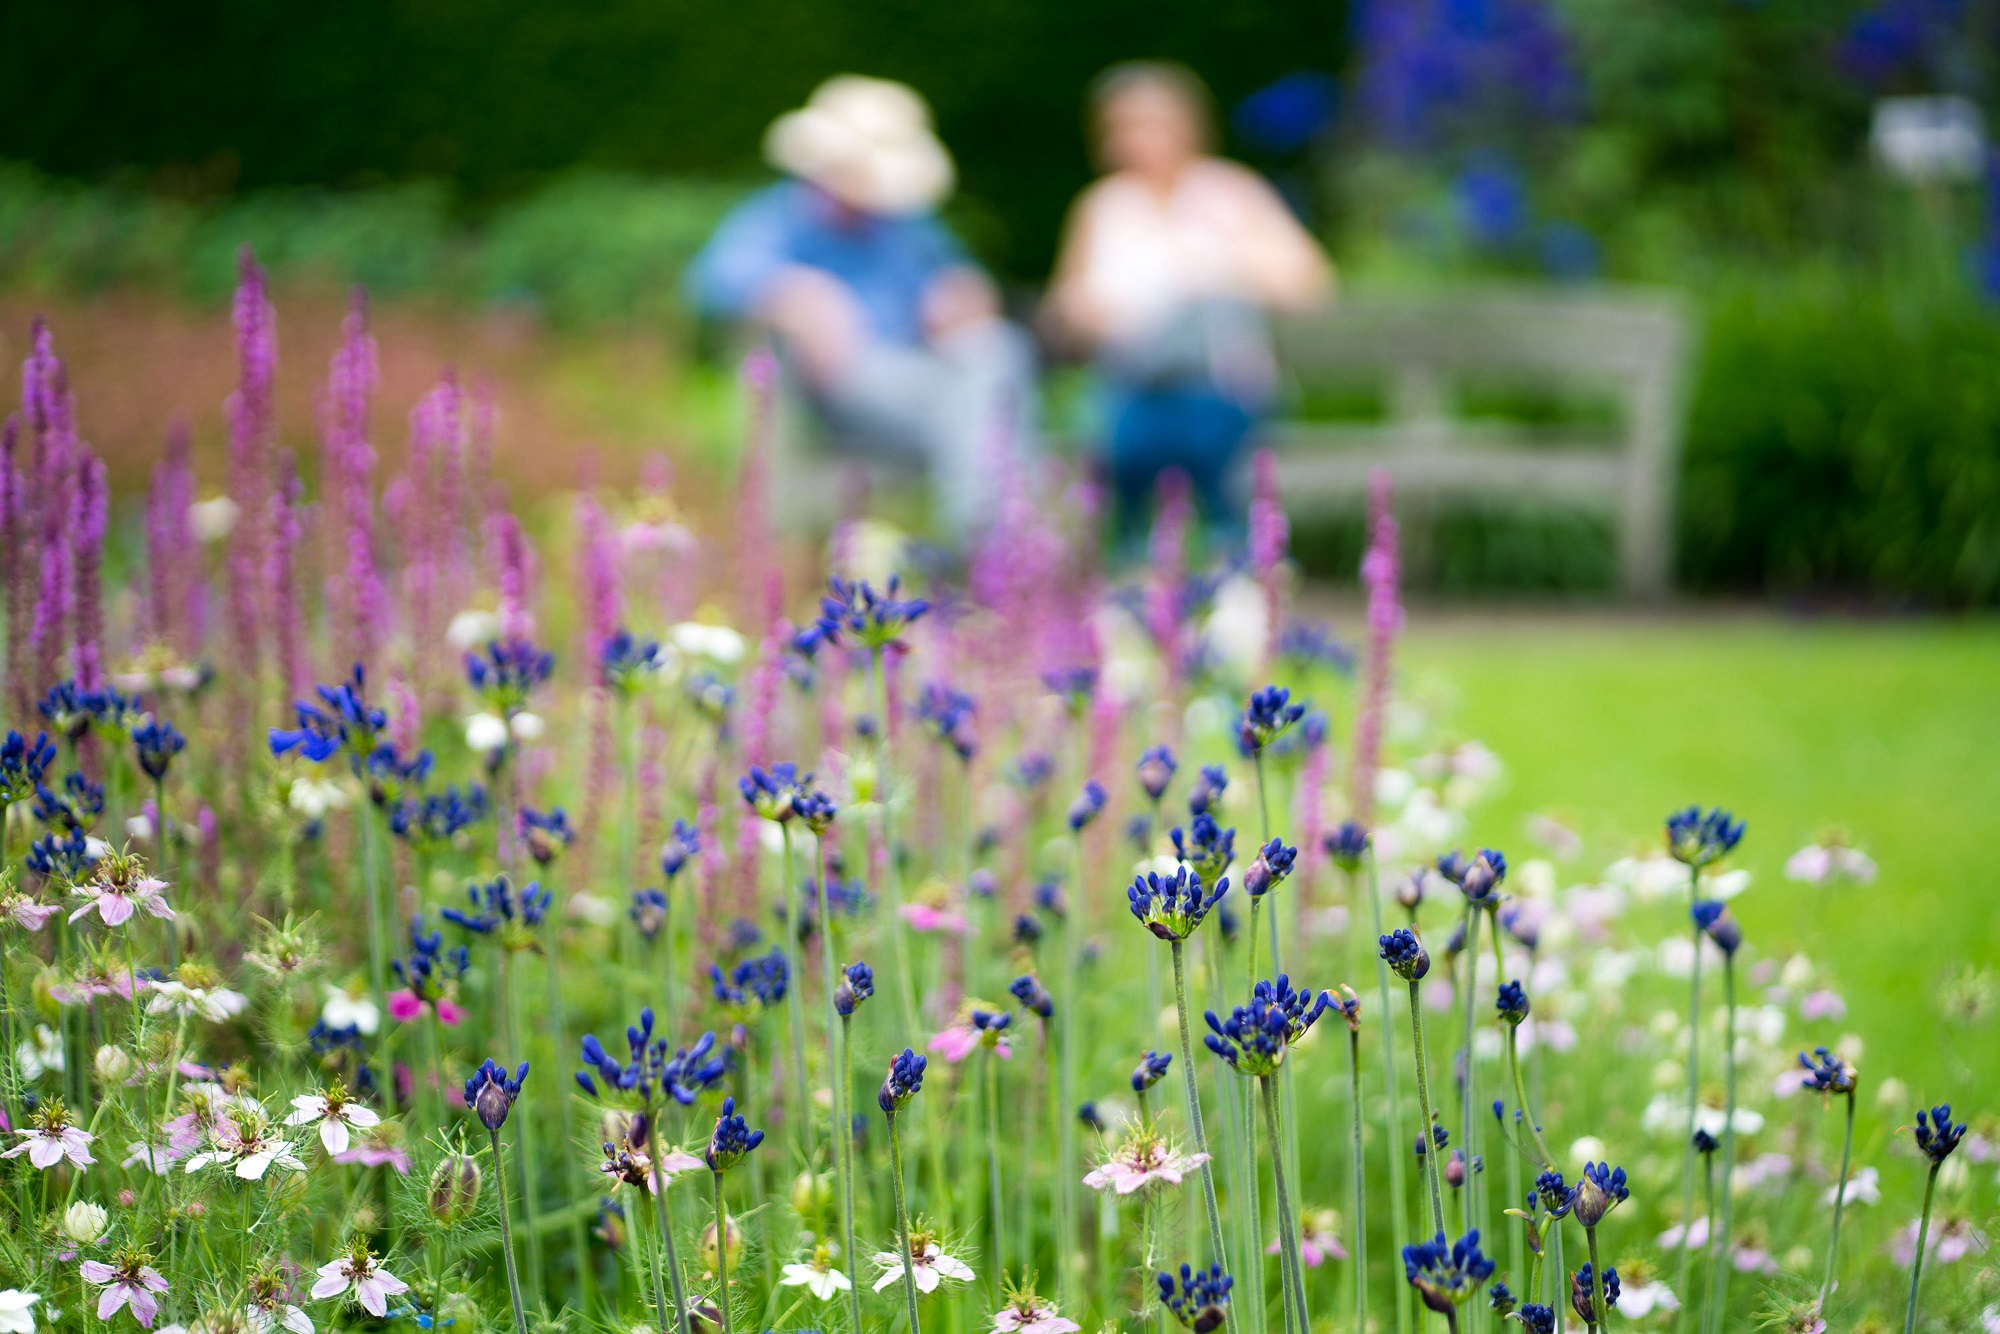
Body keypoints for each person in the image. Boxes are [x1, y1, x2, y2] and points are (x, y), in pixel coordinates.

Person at [686, 75, 1036, 533]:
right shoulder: (776, 218)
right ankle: (997, 544)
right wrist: (800, 292)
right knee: (988, 409)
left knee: (996, 348)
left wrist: (961, 295)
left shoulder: (901, 225)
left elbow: (962, 281)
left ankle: (983, 532)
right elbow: (712, 281)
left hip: (921, 379)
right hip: (848, 386)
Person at [1045, 61, 1332, 546]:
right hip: (1129, 386)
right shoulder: (1103, 206)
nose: (1136, 139)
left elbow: (1309, 286)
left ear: (1187, 127)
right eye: (1122, 126)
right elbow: (1060, 317)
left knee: (1205, 425)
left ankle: (1222, 555)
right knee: (1115, 428)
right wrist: (1081, 311)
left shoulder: (1231, 192)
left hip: (1219, 386)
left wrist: (1225, 262)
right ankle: (1139, 558)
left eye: (1149, 124)